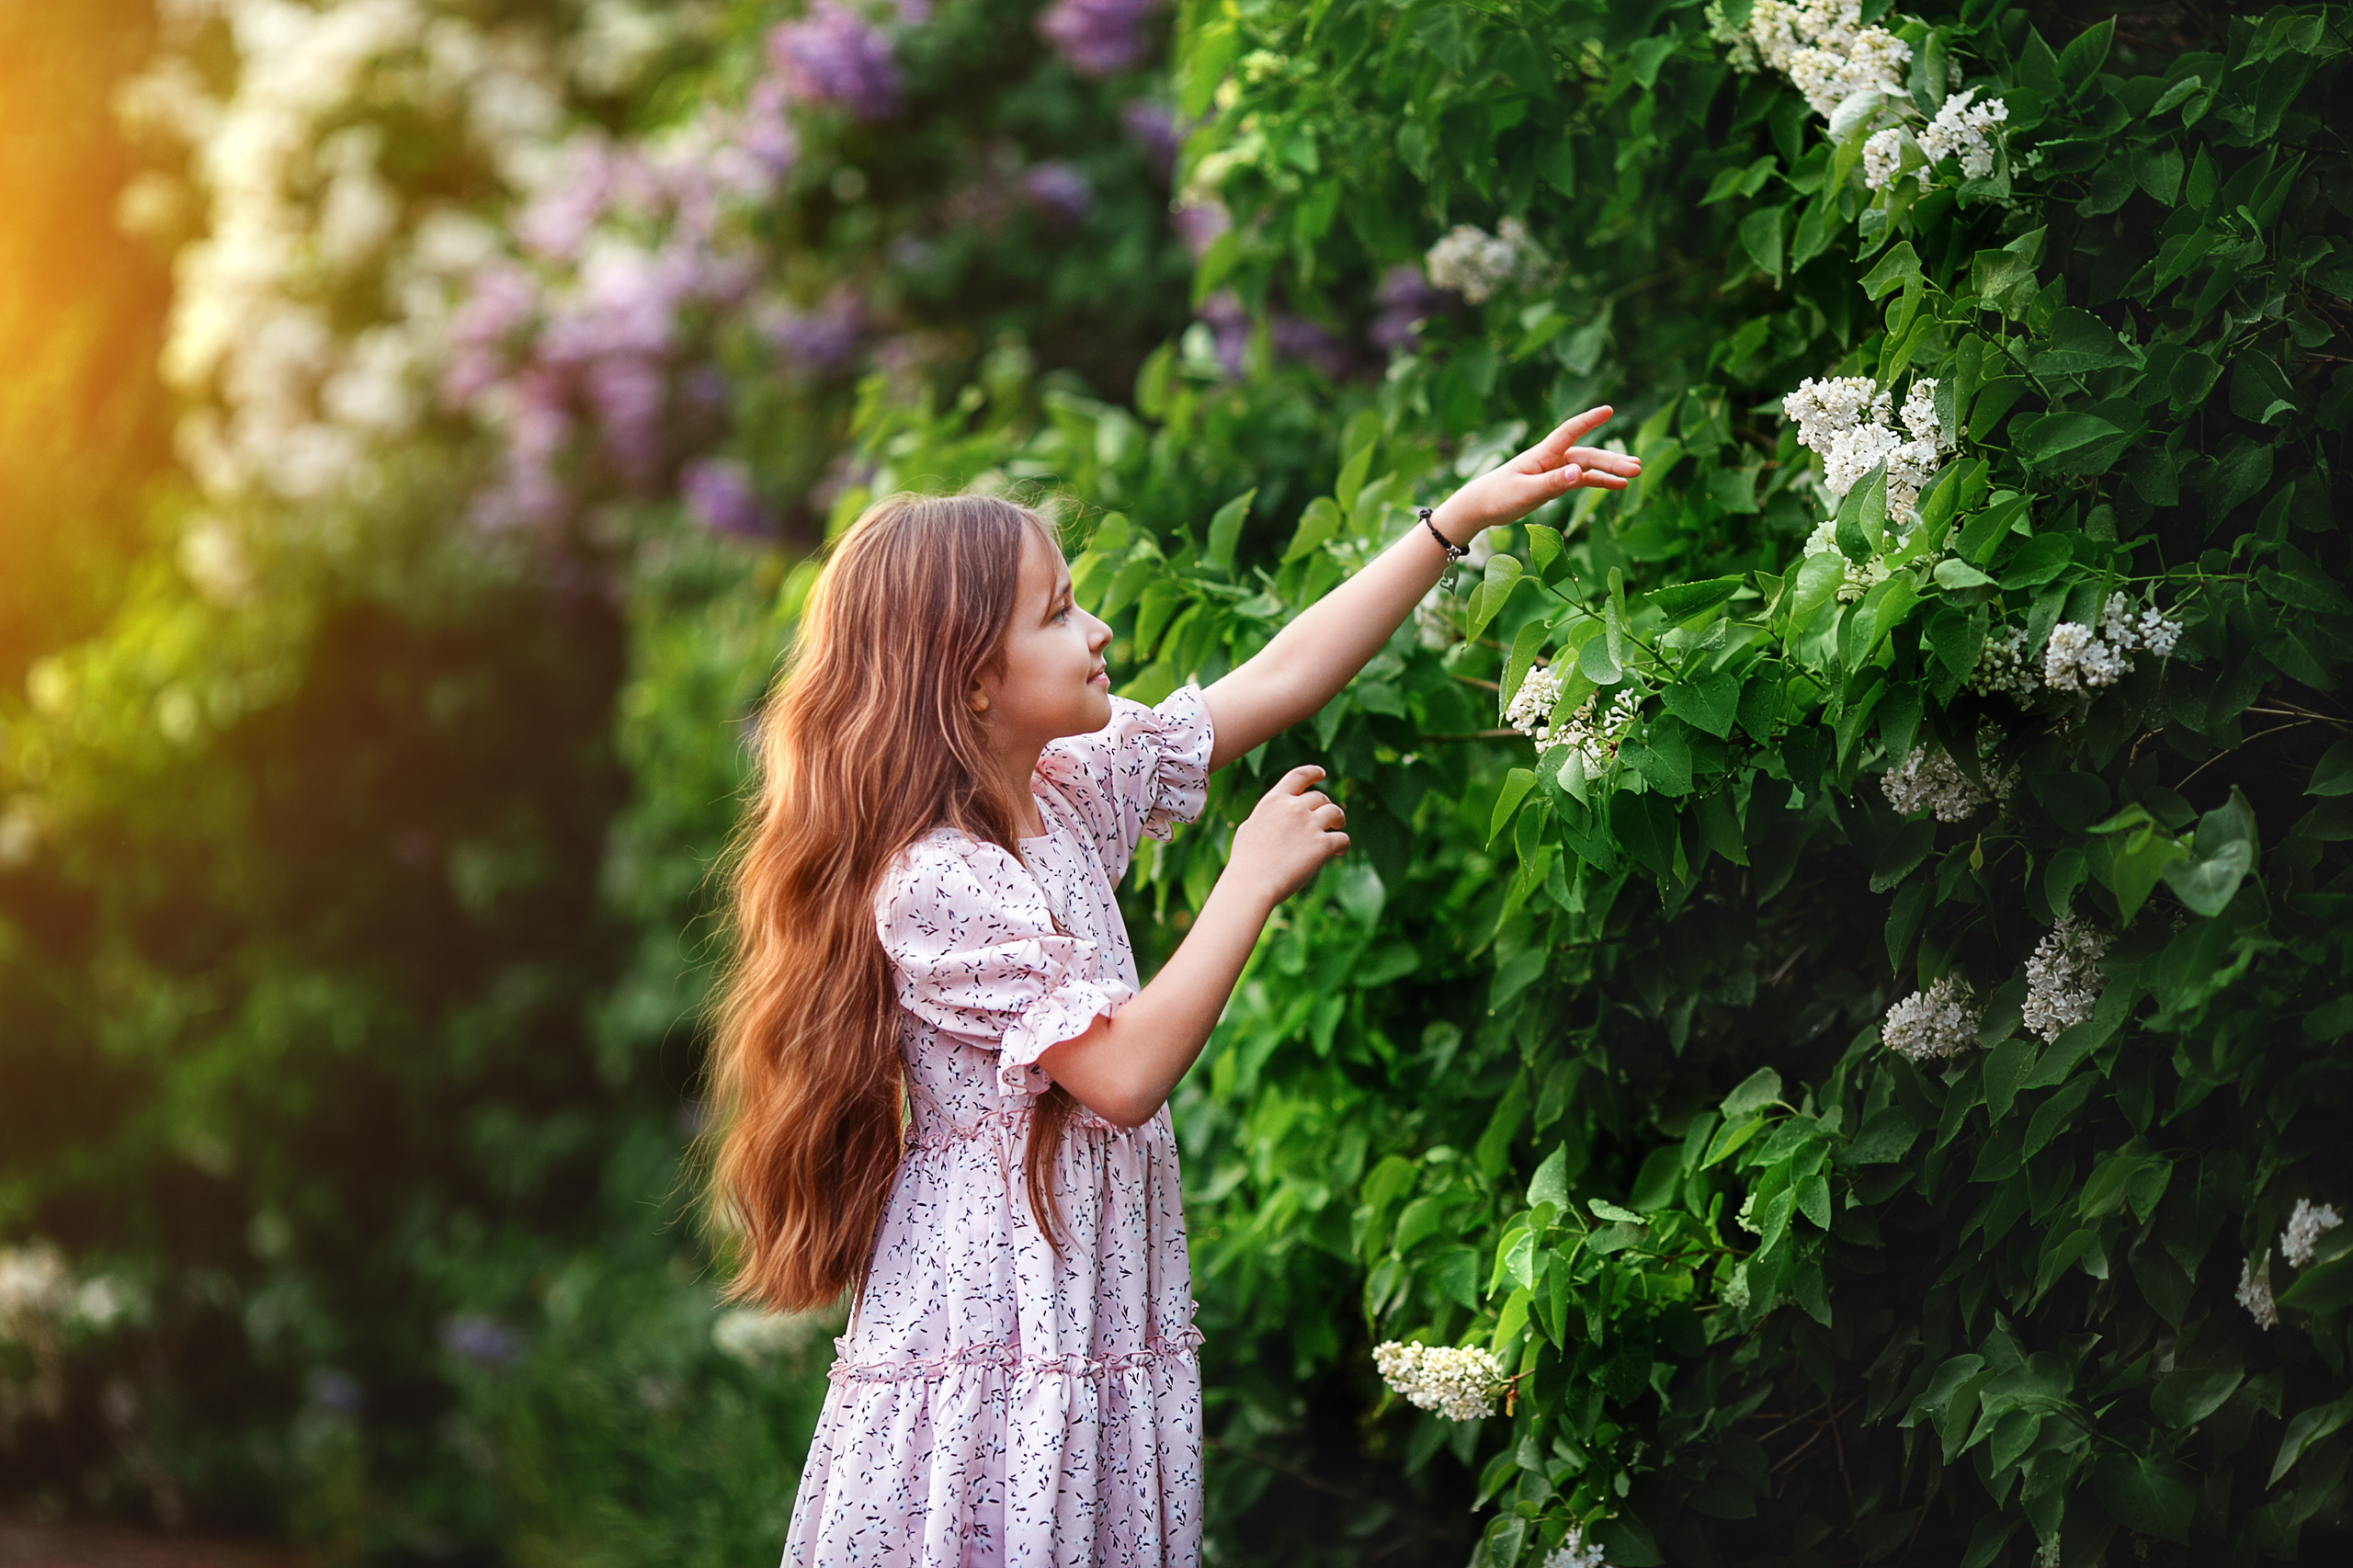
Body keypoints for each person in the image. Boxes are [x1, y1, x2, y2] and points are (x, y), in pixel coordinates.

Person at [708, 407, 1638, 1566]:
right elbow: (1121, 1074)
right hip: (1005, 1329)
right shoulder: (935, 879)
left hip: (1086, 1299)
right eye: (1056, 614)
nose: (1097, 629)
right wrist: (1245, 881)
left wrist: (1452, 520)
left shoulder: (1060, 791)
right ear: (970, 678)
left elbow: (1283, 673)